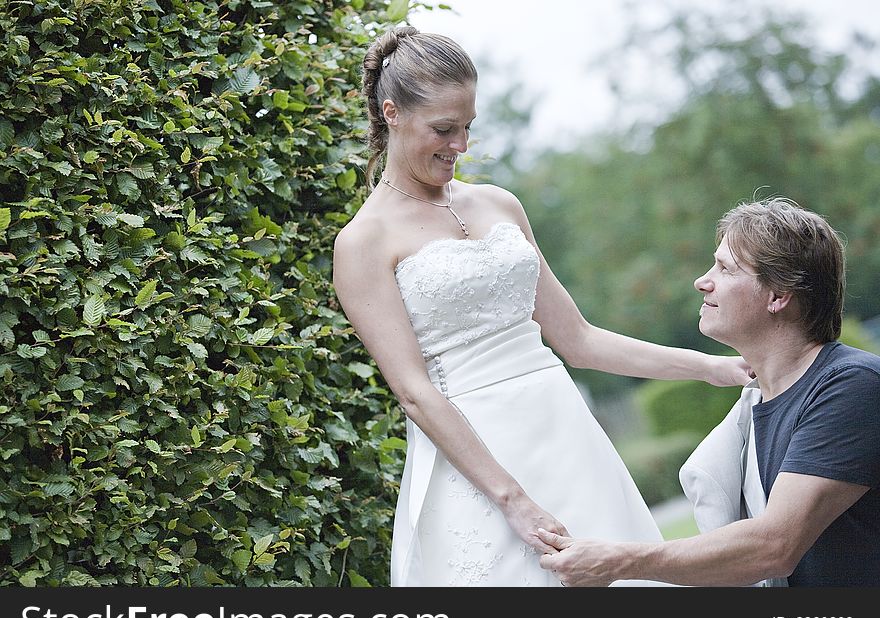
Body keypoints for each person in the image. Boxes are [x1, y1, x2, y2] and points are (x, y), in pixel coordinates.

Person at [332, 26, 752, 587]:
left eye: (468, 128)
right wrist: (513, 499)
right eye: (444, 129)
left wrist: (713, 367)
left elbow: (578, 339)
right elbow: (414, 391)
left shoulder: (500, 205)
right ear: (392, 114)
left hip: (565, 433)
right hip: (478, 463)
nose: (460, 145)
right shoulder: (363, 243)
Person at [538, 199, 880, 587]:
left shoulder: (850, 386)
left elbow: (775, 547)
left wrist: (618, 560)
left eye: (726, 269)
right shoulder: (759, 402)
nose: (703, 281)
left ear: (778, 295)